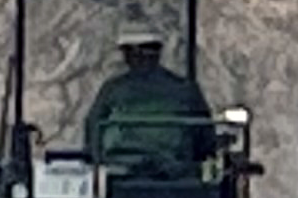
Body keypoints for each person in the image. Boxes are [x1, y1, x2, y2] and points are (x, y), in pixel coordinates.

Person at [84, 32, 213, 185]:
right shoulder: (184, 89)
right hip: (175, 178)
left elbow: (93, 131)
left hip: (121, 175)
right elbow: (205, 140)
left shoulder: (113, 90)